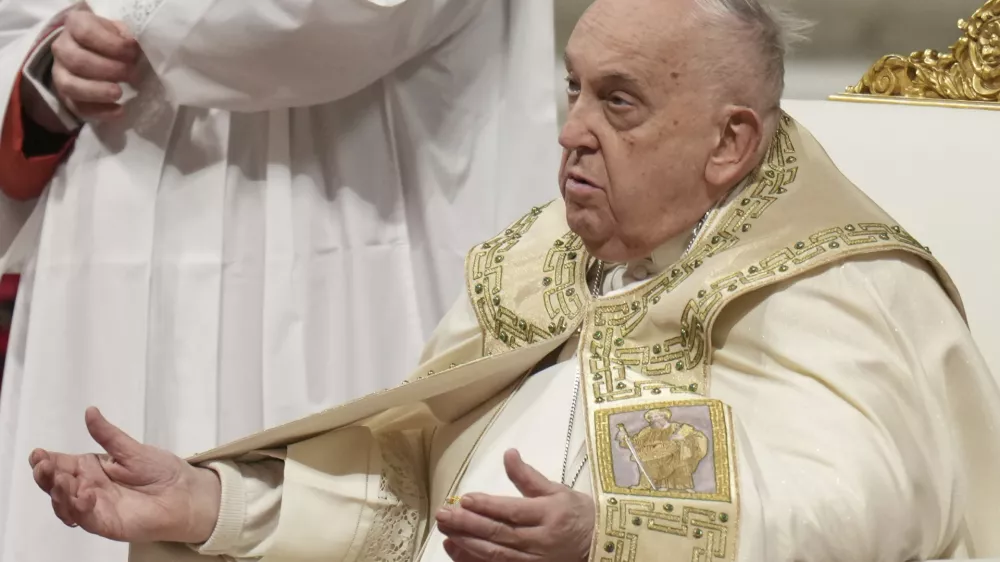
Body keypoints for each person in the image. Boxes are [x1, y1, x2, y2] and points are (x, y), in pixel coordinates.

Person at [30, 0, 1000, 560]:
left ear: (729, 142)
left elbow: (854, 513)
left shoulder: (831, 283)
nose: (572, 131)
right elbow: (412, 505)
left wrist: (607, 539)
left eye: (618, 104)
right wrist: (214, 505)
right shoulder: (539, 264)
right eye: (571, 89)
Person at [0, 1, 559, 561]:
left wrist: (132, 13)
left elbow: (350, 19)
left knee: (336, 490)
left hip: (344, 217)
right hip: (109, 208)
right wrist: (48, 70)